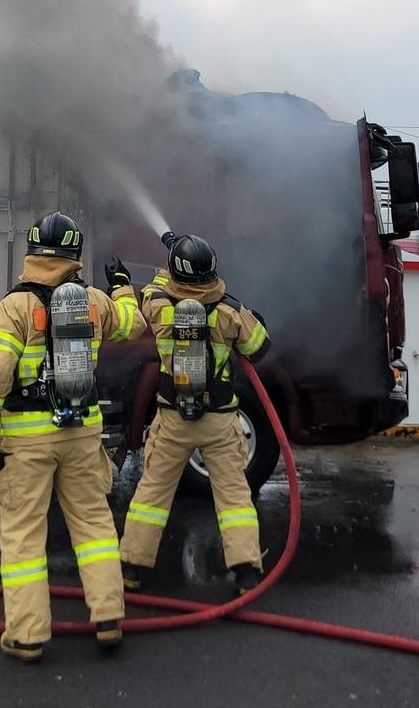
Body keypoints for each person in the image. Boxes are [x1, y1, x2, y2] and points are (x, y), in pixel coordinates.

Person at [0, 211, 147, 663]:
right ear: (76, 253)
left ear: (33, 249)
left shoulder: (16, 306)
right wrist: (121, 285)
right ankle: (107, 618)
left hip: (27, 442)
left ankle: (27, 635)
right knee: (95, 527)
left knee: (24, 536)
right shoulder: (93, 301)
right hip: (83, 434)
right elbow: (133, 323)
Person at [119, 232, 271, 594]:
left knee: (151, 495)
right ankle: (247, 572)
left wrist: (166, 264)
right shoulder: (231, 311)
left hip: (172, 419)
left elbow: (155, 289)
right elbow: (259, 347)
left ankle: (131, 568)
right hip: (219, 421)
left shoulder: (159, 306)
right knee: (234, 498)